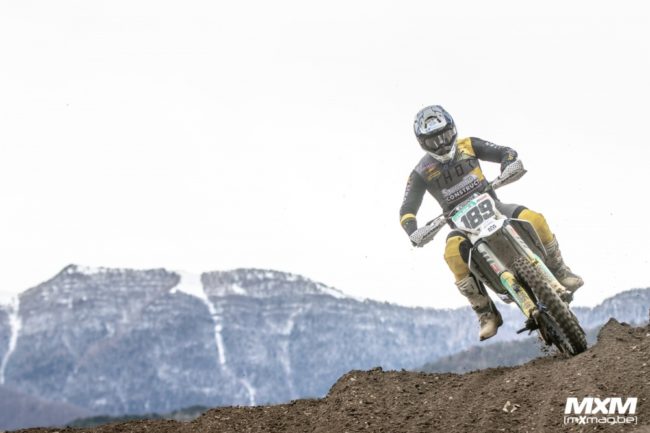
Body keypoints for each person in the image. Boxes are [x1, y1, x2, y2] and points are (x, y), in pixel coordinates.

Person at [399, 105, 583, 341]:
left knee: (534, 219)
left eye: (444, 136)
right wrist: (413, 230)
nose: (441, 144)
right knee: (452, 254)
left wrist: (508, 164)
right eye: (434, 141)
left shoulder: (468, 145)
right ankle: (485, 312)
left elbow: (505, 152)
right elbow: (407, 209)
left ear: (453, 130)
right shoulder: (420, 172)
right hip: (460, 226)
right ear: (423, 143)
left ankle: (560, 270)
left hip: (494, 207)